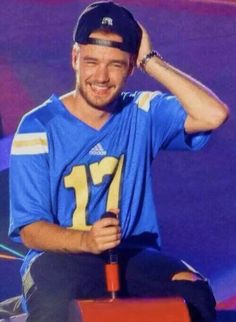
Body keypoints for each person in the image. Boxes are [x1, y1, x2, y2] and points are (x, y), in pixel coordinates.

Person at [9, 1, 229, 322]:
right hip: (59, 257)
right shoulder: (38, 126)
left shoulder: (142, 111)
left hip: (133, 255)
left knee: (194, 294)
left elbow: (214, 114)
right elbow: (30, 230)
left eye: (115, 64)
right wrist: (86, 239)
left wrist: (151, 62)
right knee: (54, 307)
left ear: (129, 67)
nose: (101, 76)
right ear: (75, 59)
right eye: (92, 61)